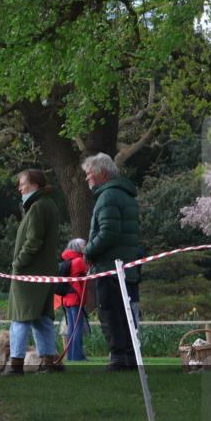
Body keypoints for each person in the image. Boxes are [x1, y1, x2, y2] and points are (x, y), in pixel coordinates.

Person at [82, 153, 141, 371]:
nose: (87, 179)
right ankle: (130, 357)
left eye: (89, 174)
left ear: (102, 174)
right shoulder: (126, 195)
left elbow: (109, 232)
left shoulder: (108, 196)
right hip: (127, 266)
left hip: (110, 267)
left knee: (110, 312)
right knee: (125, 314)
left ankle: (118, 359)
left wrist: (89, 251)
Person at [5, 169, 62, 375]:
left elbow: (33, 241)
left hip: (30, 273)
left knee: (20, 318)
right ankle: (49, 362)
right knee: (43, 318)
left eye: (22, 183)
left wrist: (18, 263)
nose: (19, 188)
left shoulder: (37, 207)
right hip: (46, 272)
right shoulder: (49, 205)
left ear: (35, 184)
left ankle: (16, 365)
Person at [55, 238, 90, 362]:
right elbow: (89, 270)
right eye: (84, 245)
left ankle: (71, 356)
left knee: (71, 328)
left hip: (66, 299)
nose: (86, 246)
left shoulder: (67, 261)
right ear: (78, 247)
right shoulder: (79, 261)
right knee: (77, 328)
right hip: (76, 298)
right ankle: (78, 356)